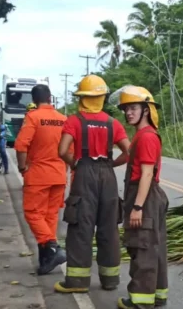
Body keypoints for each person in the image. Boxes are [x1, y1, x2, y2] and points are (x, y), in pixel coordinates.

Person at [55, 74, 131, 293]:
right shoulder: (112, 123)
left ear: (83, 98)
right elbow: (129, 152)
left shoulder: (74, 121)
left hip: (84, 173)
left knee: (81, 227)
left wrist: (75, 163)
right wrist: (111, 165)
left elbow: (62, 151)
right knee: (108, 228)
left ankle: (78, 282)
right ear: (102, 98)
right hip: (107, 175)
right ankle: (110, 280)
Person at [116, 86, 168, 309]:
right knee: (153, 246)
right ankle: (157, 293)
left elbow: (147, 173)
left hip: (144, 197)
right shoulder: (141, 135)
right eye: (126, 109)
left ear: (146, 110)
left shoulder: (146, 137)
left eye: (133, 108)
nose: (128, 113)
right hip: (148, 196)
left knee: (143, 245)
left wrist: (137, 207)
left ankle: (140, 298)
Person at [15, 84, 68, 275]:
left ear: (34, 100)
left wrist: (22, 167)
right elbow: (69, 150)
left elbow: (21, 145)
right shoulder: (63, 119)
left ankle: (52, 247)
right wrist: (65, 169)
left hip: (38, 174)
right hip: (59, 174)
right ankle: (46, 261)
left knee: (32, 213)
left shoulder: (33, 117)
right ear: (50, 97)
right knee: (50, 216)